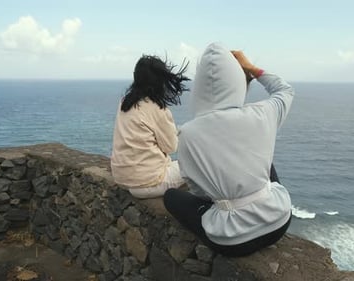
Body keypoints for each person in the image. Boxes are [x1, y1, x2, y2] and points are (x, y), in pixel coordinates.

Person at [163, 42, 294, 257]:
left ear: (200, 88)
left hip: (233, 240)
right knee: (265, 164)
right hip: (279, 222)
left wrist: (225, 194)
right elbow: (285, 90)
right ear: (237, 82)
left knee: (171, 197)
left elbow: (197, 190)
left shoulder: (188, 133)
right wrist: (251, 68)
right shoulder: (262, 113)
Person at [111, 55, 190, 198]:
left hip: (123, 178)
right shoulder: (157, 109)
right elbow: (171, 147)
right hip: (150, 183)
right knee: (194, 164)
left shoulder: (125, 102)